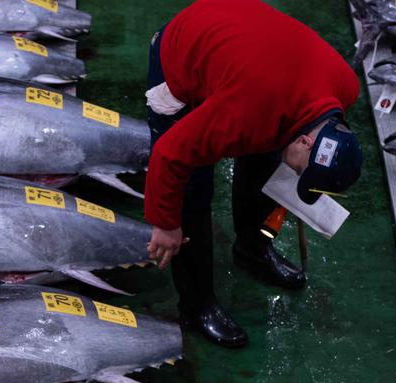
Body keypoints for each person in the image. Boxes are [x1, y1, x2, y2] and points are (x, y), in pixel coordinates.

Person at [145, 0, 362, 348]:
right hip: (183, 49)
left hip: (246, 50)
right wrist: (166, 224)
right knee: (192, 189)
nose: (295, 173)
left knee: (267, 158)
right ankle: (197, 306)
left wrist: (301, 169)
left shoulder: (345, 87)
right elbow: (170, 154)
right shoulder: (247, 111)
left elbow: (283, 138)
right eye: (301, 169)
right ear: (306, 141)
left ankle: (252, 249)